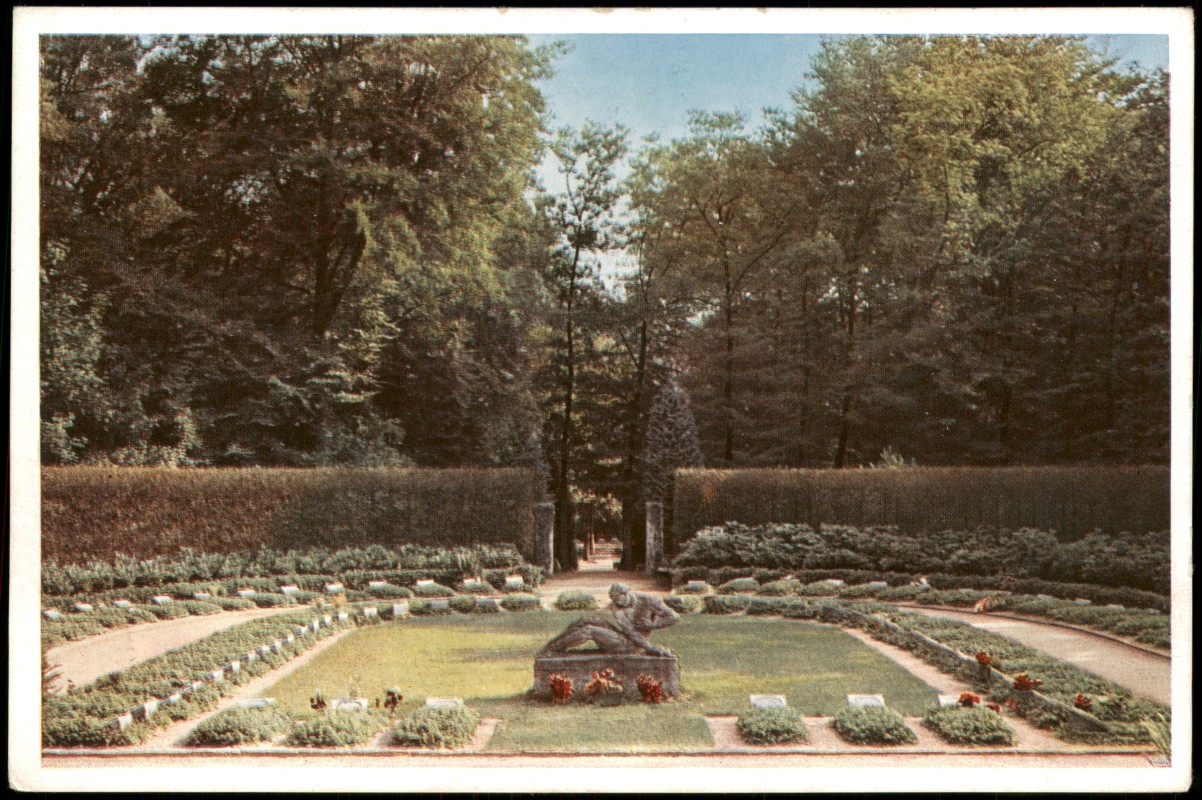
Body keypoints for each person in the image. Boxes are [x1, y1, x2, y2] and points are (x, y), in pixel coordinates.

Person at [539, 583, 679, 657]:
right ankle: (554, 645)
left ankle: (554, 649)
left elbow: (673, 617)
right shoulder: (617, 607)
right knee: (585, 619)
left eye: (619, 600)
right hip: (625, 637)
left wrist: (652, 625)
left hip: (631, 645)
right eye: (615, 601)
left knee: (589, 630)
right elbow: (629, 631)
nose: (618, 604)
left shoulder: (649, 601)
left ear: (627, 593)